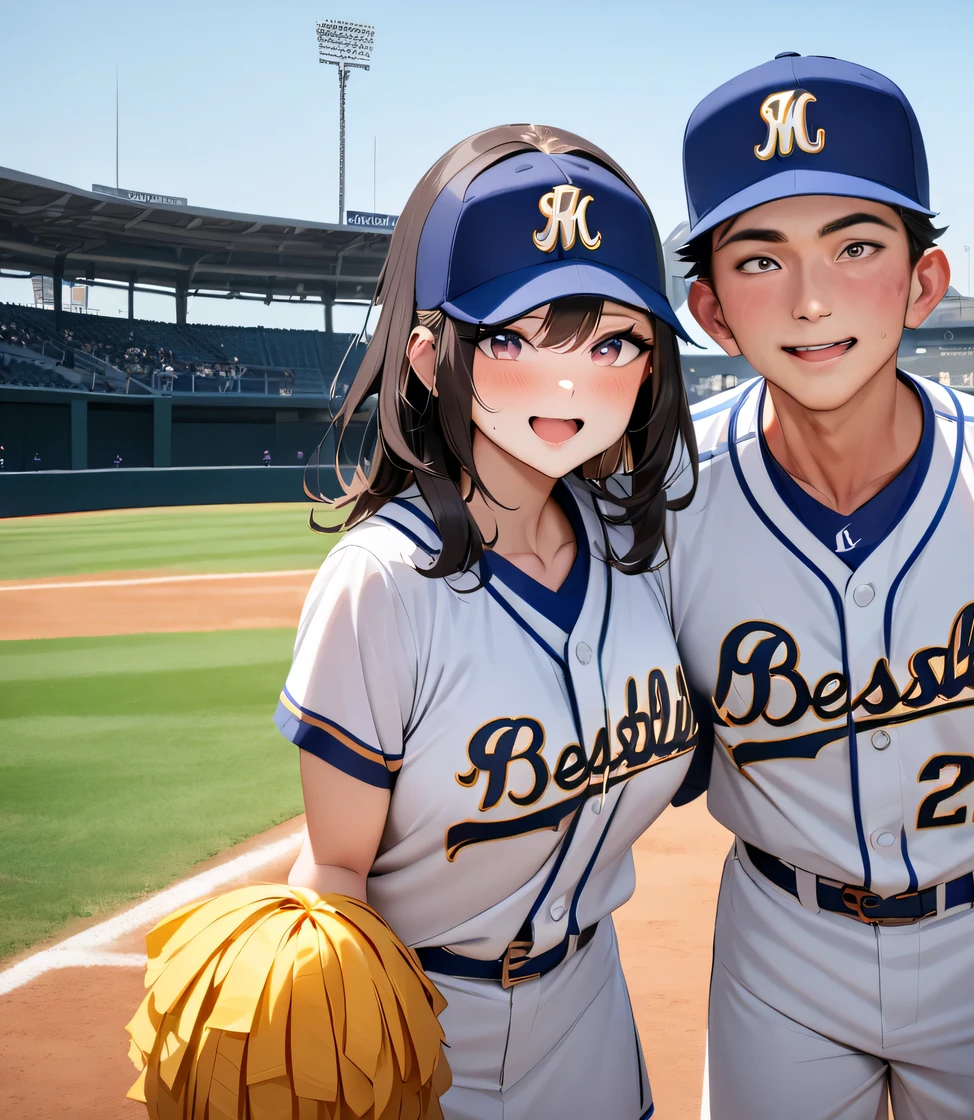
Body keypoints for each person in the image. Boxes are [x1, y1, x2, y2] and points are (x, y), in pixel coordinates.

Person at [666, 55, 974, 1118]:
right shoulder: (664, 506)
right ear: (709, 308)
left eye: (855, 245)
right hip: (779, 943)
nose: (810, 297)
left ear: (922, 281)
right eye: (762, 259)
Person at [277, 124, 700, 1120]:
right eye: (514, 338)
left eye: (610, 343)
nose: (569, 380)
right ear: (429, 357)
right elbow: (336, 864)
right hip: (416, 1033)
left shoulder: (645, 548)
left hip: (591, 1013)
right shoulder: (380, 582)